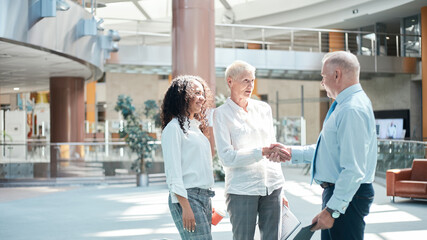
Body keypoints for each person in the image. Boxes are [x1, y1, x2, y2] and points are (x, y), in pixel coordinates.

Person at [270, 51, 377, 240]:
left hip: (347, 195)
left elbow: (353, 169)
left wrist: (332, 210)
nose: (322, 82)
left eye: (323, 76)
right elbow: (330, 151)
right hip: (342, 193)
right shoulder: (345, 106)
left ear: (337, 74)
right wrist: (291, 152)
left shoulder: (351, 109)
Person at [213, 60, 291, 240]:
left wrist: (282, 190)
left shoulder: (264, 109)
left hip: (273, 187)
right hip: (241, 190)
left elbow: (273, 147)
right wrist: (260, 152)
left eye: (252, 80)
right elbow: (226, 158)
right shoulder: (221, 114)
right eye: (245, 80)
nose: (250, 85)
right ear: (230, 81)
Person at [161, 75, 215, 240]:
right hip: (187, 198)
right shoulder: (173, 129)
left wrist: (207, 200)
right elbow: (173, 172)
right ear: (182, 97)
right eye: (197, 93)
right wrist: (185, 206)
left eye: (202, 93)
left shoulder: (196, 129)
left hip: (204, 197)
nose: (202, 98)